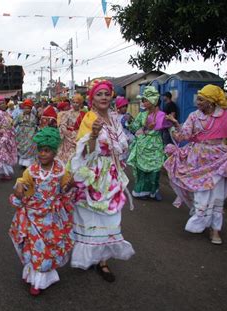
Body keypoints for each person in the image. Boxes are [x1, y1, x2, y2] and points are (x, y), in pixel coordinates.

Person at [164, 84, 227, 245]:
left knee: (217, 194)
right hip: (197, 160)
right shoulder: (194, 116)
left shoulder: (223, 117)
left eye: (201, 100)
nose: (198, 103)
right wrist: (175, 124)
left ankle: (215, 229)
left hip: (218, 159)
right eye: (198, 99)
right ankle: (201, 219)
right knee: (201, 193)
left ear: (211, 102)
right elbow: (183, 136)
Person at [70, 79, 134, 282]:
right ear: (92, 98)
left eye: (107, 94)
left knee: (110, 218)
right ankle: (89, 258)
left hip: (112, 174)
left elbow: (122, 145)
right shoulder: (89, 118)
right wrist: (94, 135)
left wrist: (116, 151)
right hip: (93, 175)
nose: (104, 97)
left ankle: (103, 260)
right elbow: (84, 152)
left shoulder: (115, 118)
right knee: (90, 219)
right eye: (99, 94)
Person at [9, 127, 74, 295]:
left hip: (52, 217)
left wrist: (70, 185)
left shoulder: (61, 170)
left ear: (54, 152)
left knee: (49, 248)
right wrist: (19, 189)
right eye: (40, 151)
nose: (42, 154)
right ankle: (36, 280)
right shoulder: (31, 171)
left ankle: (39, 276)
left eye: (47, 151)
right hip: (33, 217)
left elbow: (65, 189)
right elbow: (21, 185)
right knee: (36, 248)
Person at [127, 86, 168, 201]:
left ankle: (153, 191)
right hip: (143, 145)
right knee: (142, 170)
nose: (143, 102)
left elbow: (170, 129)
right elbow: (134, 127)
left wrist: (174, 126)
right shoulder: (142, 115)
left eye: (145, 100)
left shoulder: (162, 115)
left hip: (156, 145)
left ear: (152, 101)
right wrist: (129, 121)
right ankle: (141, 192)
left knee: (155, 169)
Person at [0, 96, 17, 184]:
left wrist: (10, 132)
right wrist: (2, 134)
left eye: (4, 103)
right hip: (1, 139)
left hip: (8, 138)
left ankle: (4, 174)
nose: (3, 105)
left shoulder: (7, 113)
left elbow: (11, 125)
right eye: (0, 103)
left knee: (6, 156)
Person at [56, 97, 82, 163]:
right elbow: (62, 124)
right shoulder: (67, 113)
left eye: (77, 103)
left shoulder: (83, 114)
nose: (75, 104)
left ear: (80, 104)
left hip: (79, 136)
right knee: (68, 155)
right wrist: (65, 132)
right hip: (68, 137)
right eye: (74, 102)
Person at [14, 98, 38, 168]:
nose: (27, 109)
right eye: (26, 108)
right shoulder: (20, 116)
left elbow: (35, 125)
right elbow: (14, 124)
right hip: (21, 135)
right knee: (22, 149)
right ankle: (23, 163)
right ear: (23, 108)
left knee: (29, 148)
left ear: (31, 109)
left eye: (29, 108)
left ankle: (28, 164)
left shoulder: (33, 116)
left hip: (30, 135)